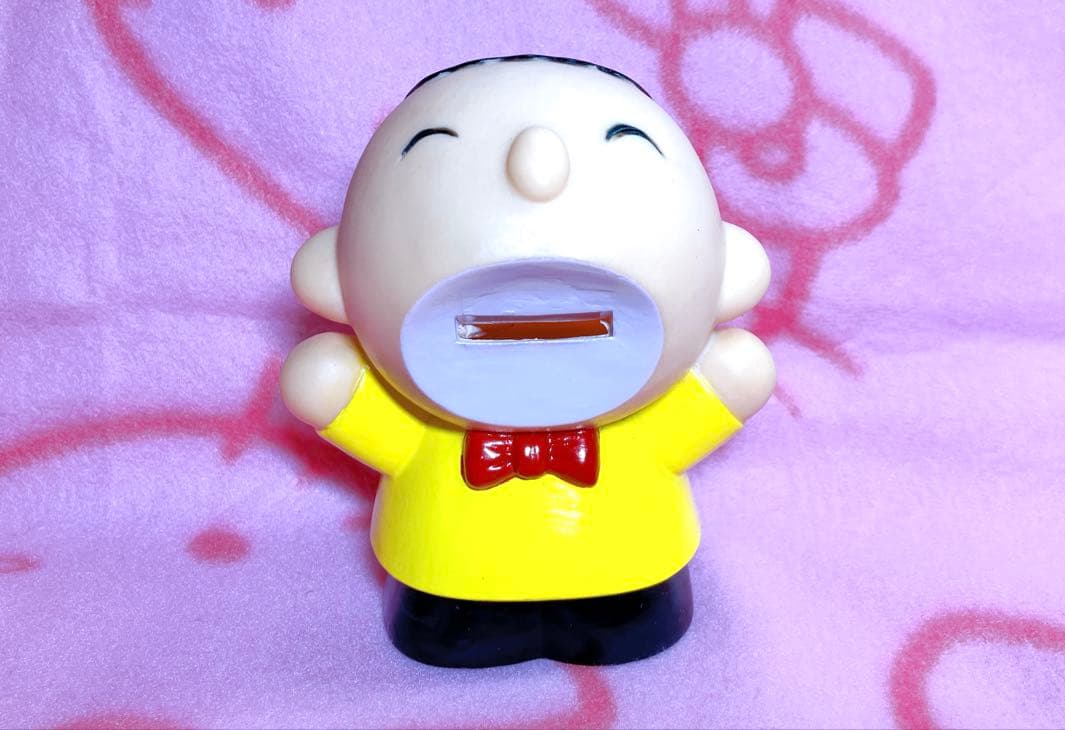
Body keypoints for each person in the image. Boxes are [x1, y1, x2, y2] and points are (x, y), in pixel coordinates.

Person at [280, 55, 776, 667]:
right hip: (447, 574)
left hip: (632, 565)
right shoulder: (412, 390)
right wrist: (335, 394)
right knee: (451, 628)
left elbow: (722, 390)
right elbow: (351, 406)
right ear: (336, 279)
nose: (535, 171)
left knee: (631, 619)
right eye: (436, 149)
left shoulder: (653, 390)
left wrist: (729, 384)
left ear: (728, 274)